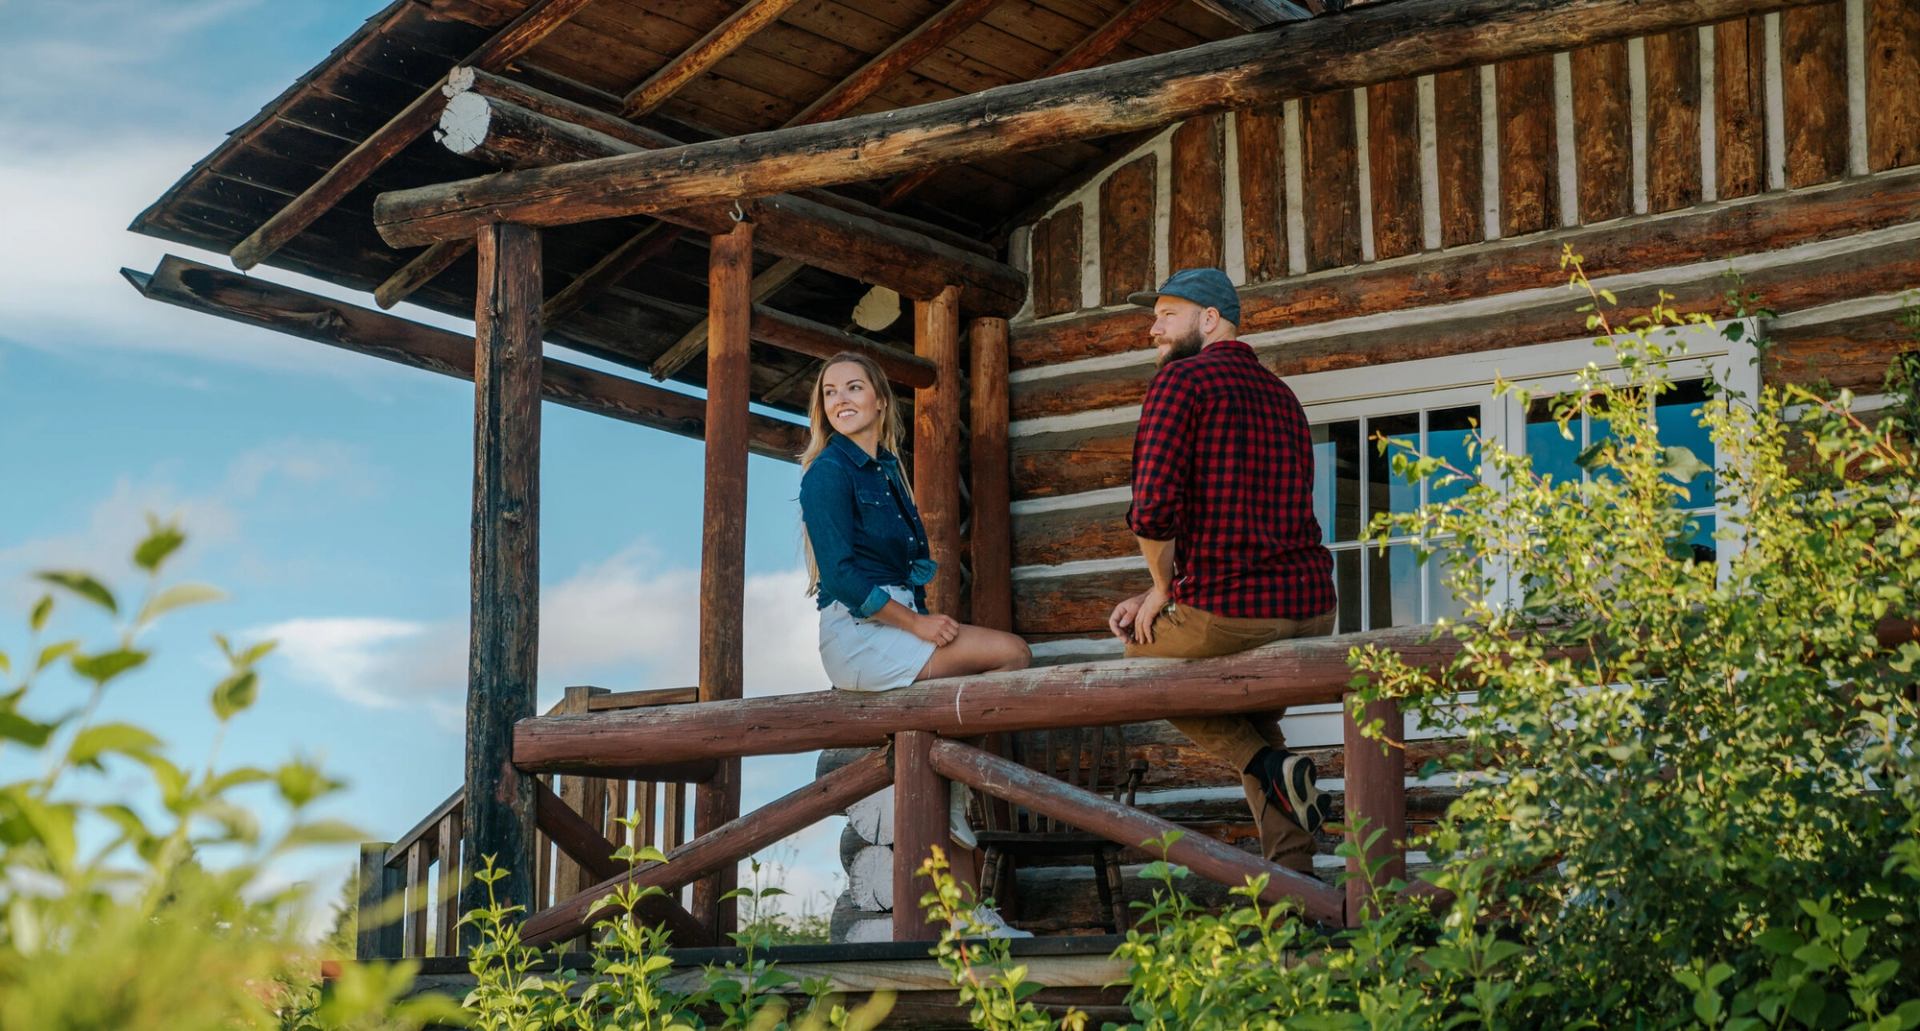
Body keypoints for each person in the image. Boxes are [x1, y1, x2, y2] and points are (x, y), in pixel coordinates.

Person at [1105, 268, 1340, 876]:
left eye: (1166, 314)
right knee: (1258, 727)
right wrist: (1163, 588)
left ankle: (1264, 766)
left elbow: (1153, 512)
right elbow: (1249, 518)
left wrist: (1161, 592)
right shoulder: (1280, 393)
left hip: (1236, 613)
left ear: (1210, 319)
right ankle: (1296, 893)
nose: (1152, 328)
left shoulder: (1180, 380)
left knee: (1141, 663)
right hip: (1312, 607)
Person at [798, 351, 1033, 936]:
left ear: (880, 399)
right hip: (861, 633)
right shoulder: (827, 472)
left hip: (897, 623)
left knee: (943, 770)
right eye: (831, 393)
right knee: (1011, 653)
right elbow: (843, 578)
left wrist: (920, 618)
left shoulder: (886, 472)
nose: (842, 399)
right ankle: (962, 896)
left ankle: (965, 914)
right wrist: (920, 625)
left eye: (854, 387)